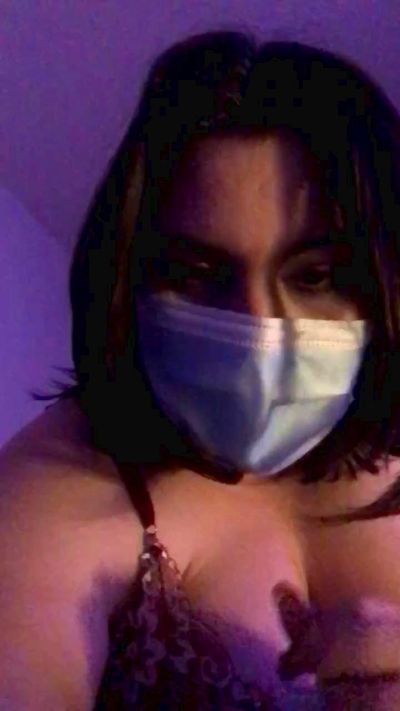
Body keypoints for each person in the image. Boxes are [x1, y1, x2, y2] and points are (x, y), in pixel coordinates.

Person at [2, 28, 400, 710]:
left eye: (316, 276)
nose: (260, 334)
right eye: (196, 273)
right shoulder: (59, 488)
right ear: (128, 277)